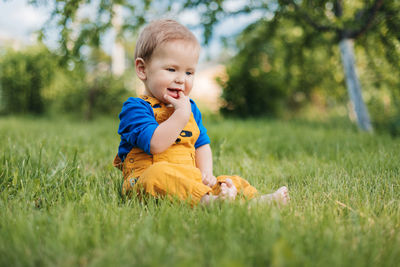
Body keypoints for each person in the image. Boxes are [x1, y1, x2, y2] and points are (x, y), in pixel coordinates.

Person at [113, 19, 289, 205]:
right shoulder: (136, 108)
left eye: (189, 73)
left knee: (230, 181)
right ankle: (209, 202)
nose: (181, 79)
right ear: (142, 69)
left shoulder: (190, 108)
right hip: (147, 182)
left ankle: (256, 201)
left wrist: (206, 173)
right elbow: (156, 144)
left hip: (189, 179)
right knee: (157, 175)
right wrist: (181, 114)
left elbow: (201, 144)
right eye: (172, 69)